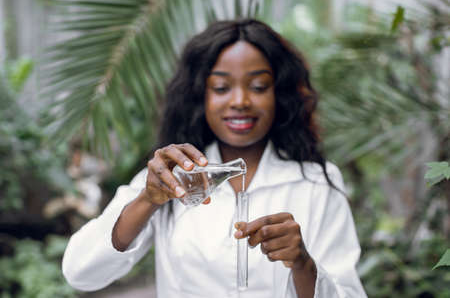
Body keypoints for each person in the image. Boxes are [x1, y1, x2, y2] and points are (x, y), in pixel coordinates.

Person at [62, 19, 367, 298]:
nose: (240, 101)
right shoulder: (169, 179)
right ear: (201, 96)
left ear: (279, 94)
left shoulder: (315, 183)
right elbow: (81, 273)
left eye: (258, 87)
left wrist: (303, 264)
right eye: (221, 87)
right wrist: (147, 201)